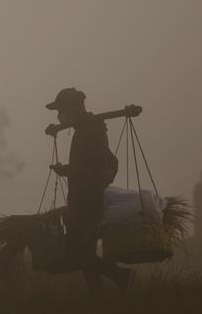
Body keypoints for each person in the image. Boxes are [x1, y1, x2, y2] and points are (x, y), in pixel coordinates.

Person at [44, 87, 140, 292]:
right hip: (83, 200)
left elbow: (100, 165)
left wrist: (71, 172)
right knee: (85, 254)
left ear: (71, 109)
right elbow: (93, 166)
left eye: (60, 111)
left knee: (76, 254)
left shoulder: (90, 131)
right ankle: (98, 296)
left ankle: (122, 276)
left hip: (87, 203)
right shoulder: (85, 129)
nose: (60, 116)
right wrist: (68, 171)